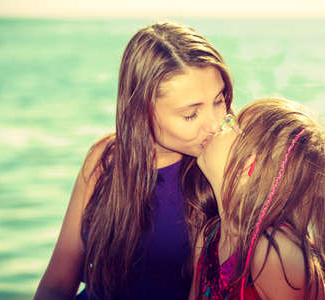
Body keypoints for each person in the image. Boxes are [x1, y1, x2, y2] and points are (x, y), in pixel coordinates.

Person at [34, 21, 233, 300]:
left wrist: (225, 180)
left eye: (219, 100)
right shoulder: (105, 159)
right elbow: (57, 283)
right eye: (191, 114)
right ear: (142, 111)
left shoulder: (225, 169)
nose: (214, 124)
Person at [190, 98, 325, 300]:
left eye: (232, 125)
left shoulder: (273, 254)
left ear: (250, 165)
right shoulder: (209, 236)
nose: (221, 124)